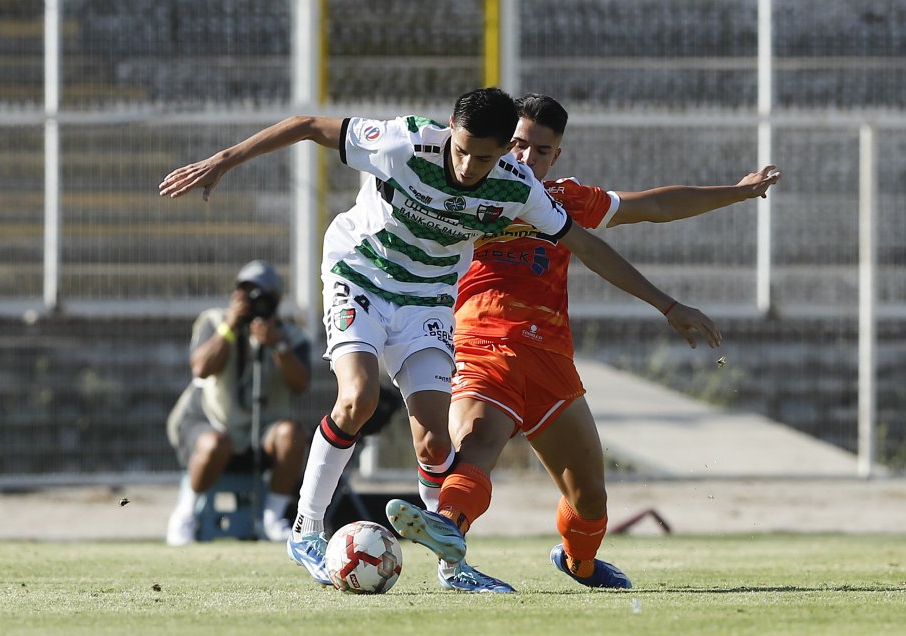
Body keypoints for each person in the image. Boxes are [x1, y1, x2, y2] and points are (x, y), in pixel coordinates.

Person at [159, 87, 719, 587]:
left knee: (433, 442)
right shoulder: (401, 142)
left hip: (427, 298)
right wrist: (224, 159)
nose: (472, 166)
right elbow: (308, 125)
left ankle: (453, 565)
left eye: (486, 156)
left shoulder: (516, 185)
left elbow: (586, 245)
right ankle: (304, 529)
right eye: (463, 149)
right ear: (449, 130)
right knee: (358, 398)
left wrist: (667, 305)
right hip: (362, 276)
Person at [386, 93, 781, 592]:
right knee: (480, 439)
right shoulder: (464, 194)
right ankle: (449, 532)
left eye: (541, 151)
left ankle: (580, 564)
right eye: (518, 146)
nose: (526, 159)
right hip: (483, 340)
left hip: (550, 356)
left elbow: (655, 205)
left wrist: (739, 193)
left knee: (590, 498)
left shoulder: (564, 200)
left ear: (557, 157)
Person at [165, 260, 312, 546]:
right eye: (246, 293)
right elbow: (200, 368)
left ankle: (274, 516)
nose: (253, 301)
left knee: (293, 434)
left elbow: (301, 384)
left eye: (261, 295)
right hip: (213, 421)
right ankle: (185, 514)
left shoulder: (292, 336)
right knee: (213, 443)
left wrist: (277, 345)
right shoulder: (214, 321)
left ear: (276, 299)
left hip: (265, 429)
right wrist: (230, 327)